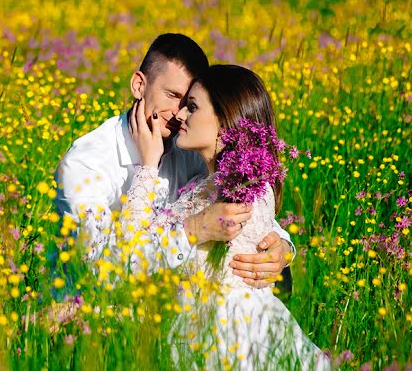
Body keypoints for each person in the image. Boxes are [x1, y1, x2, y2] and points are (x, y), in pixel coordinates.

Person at [127, 64, 327, 369]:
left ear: (226, 122)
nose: (180, 115)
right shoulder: (211, 185)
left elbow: (133, 250)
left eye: (191, 107)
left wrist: (147, 165)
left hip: (227, 337)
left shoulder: (239, 189)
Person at [53, 34, 294, 287]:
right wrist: (194, 229)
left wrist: (282, 248)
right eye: (171, 95)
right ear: (138, 86)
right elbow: (102, 269)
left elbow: (237, 207)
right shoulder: (86, 163)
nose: (179, 114)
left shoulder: (190, 148)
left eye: (189, 103)